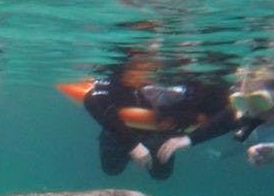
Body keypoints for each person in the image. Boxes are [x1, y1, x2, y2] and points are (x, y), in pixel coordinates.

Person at [83, 63, 240, 180]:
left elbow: (233, 114)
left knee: (162, 174)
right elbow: (92, 100)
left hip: (164, 132)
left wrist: (189, 139)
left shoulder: (203, 83)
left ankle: (147, 142)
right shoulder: (126, 71)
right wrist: (131, 144)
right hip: (124, 127)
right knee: (111, 168)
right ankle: (121, 138)